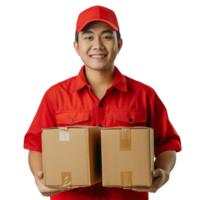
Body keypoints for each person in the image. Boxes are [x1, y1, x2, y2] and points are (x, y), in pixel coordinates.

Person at [21, 4, 184, 200]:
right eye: (88, 37)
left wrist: (165, 172)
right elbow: (34, 144)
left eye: (106, 37)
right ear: (76, 47)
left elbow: (168, 143)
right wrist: (39, 177)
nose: (97, 45)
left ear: (120, 45)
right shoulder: (53, 95)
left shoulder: (146, 95)